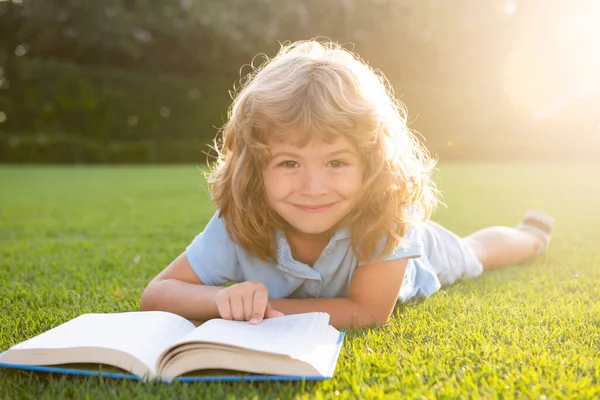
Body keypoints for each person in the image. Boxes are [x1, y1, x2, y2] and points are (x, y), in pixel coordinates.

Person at [139, 40, 554, 329]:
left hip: (420, 261)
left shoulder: (387, 213)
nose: (313, 186)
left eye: (336, 162)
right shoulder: (239, 222)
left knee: (474, 252)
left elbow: (369, 311)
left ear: (370, 162)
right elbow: (157, 294)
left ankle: (529, 236)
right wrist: (217, 301)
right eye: (288, 162)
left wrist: (260, 311)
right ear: (255, 169)